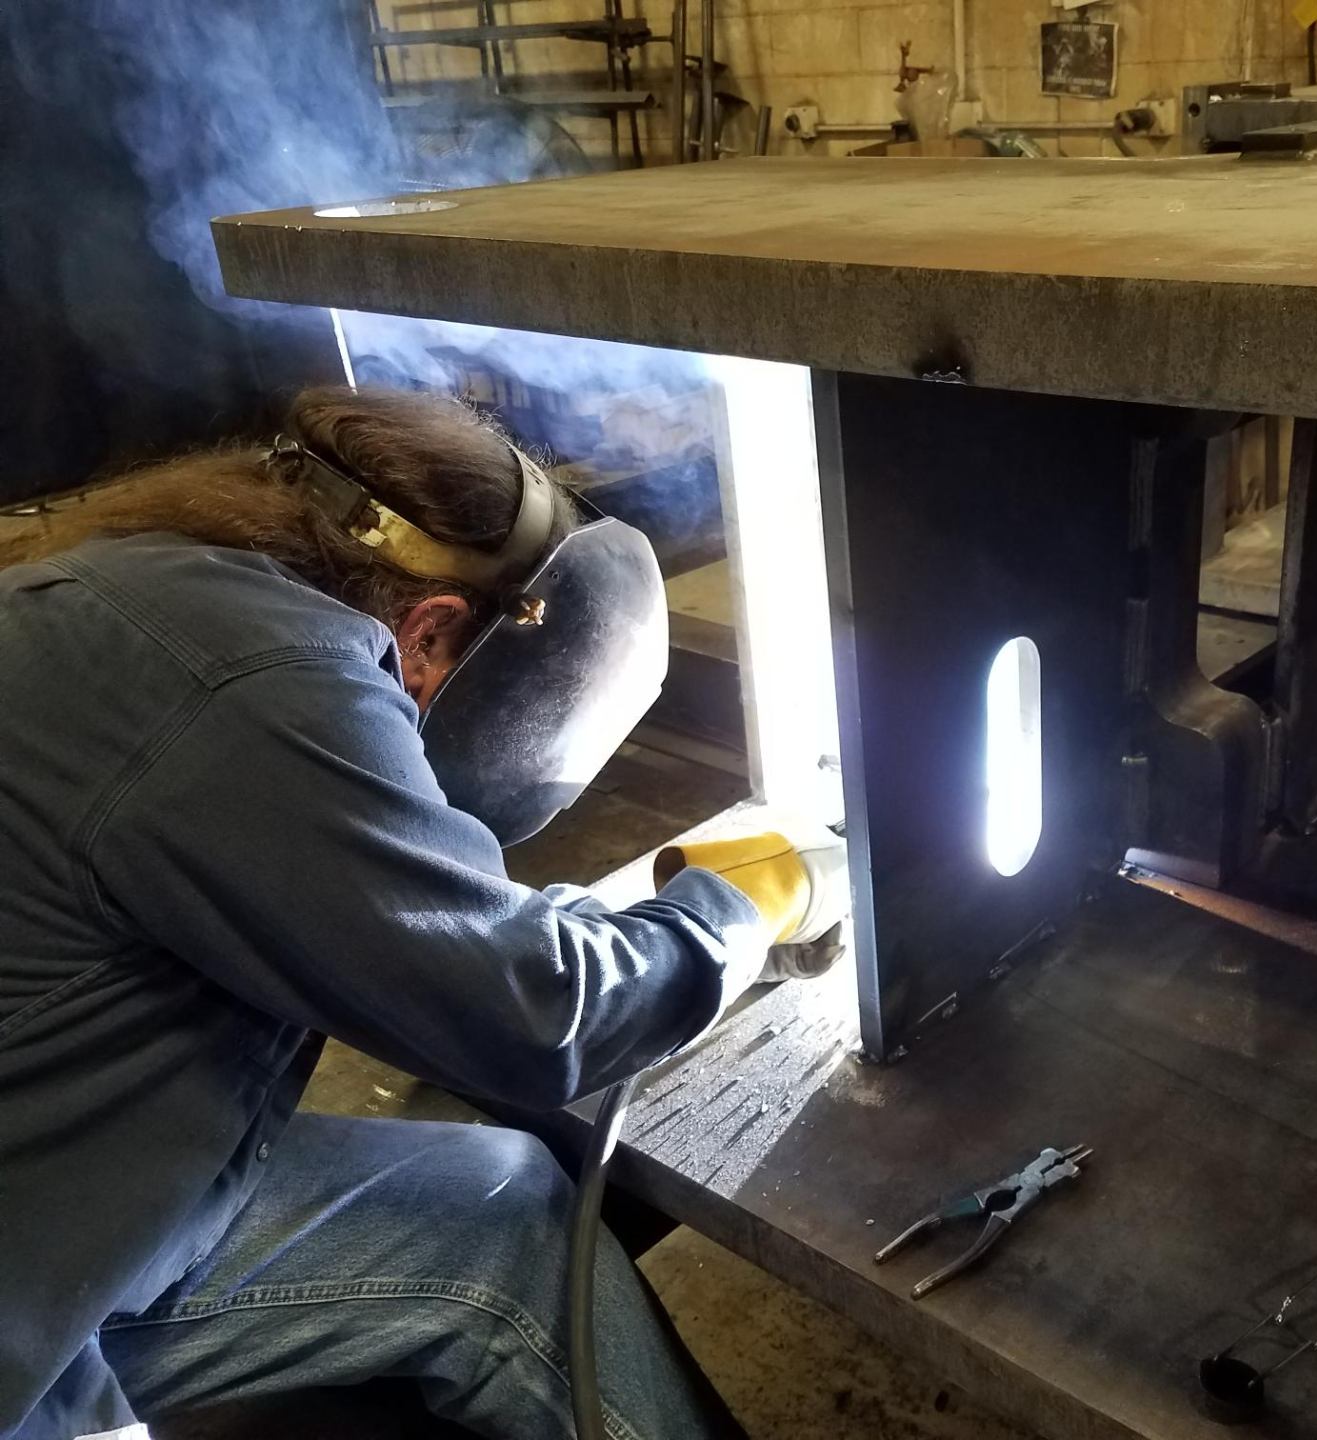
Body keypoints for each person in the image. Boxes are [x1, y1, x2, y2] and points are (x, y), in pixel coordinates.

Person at [0, 387, 844, 1440]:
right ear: (433, 625)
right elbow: (540, 1017)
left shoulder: (138, 585)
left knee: (494, 1215)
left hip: (77, 1167)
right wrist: (744, 908)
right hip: (27, 1312)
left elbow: (392, 904)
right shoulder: (266, 684)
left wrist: (532, 917)